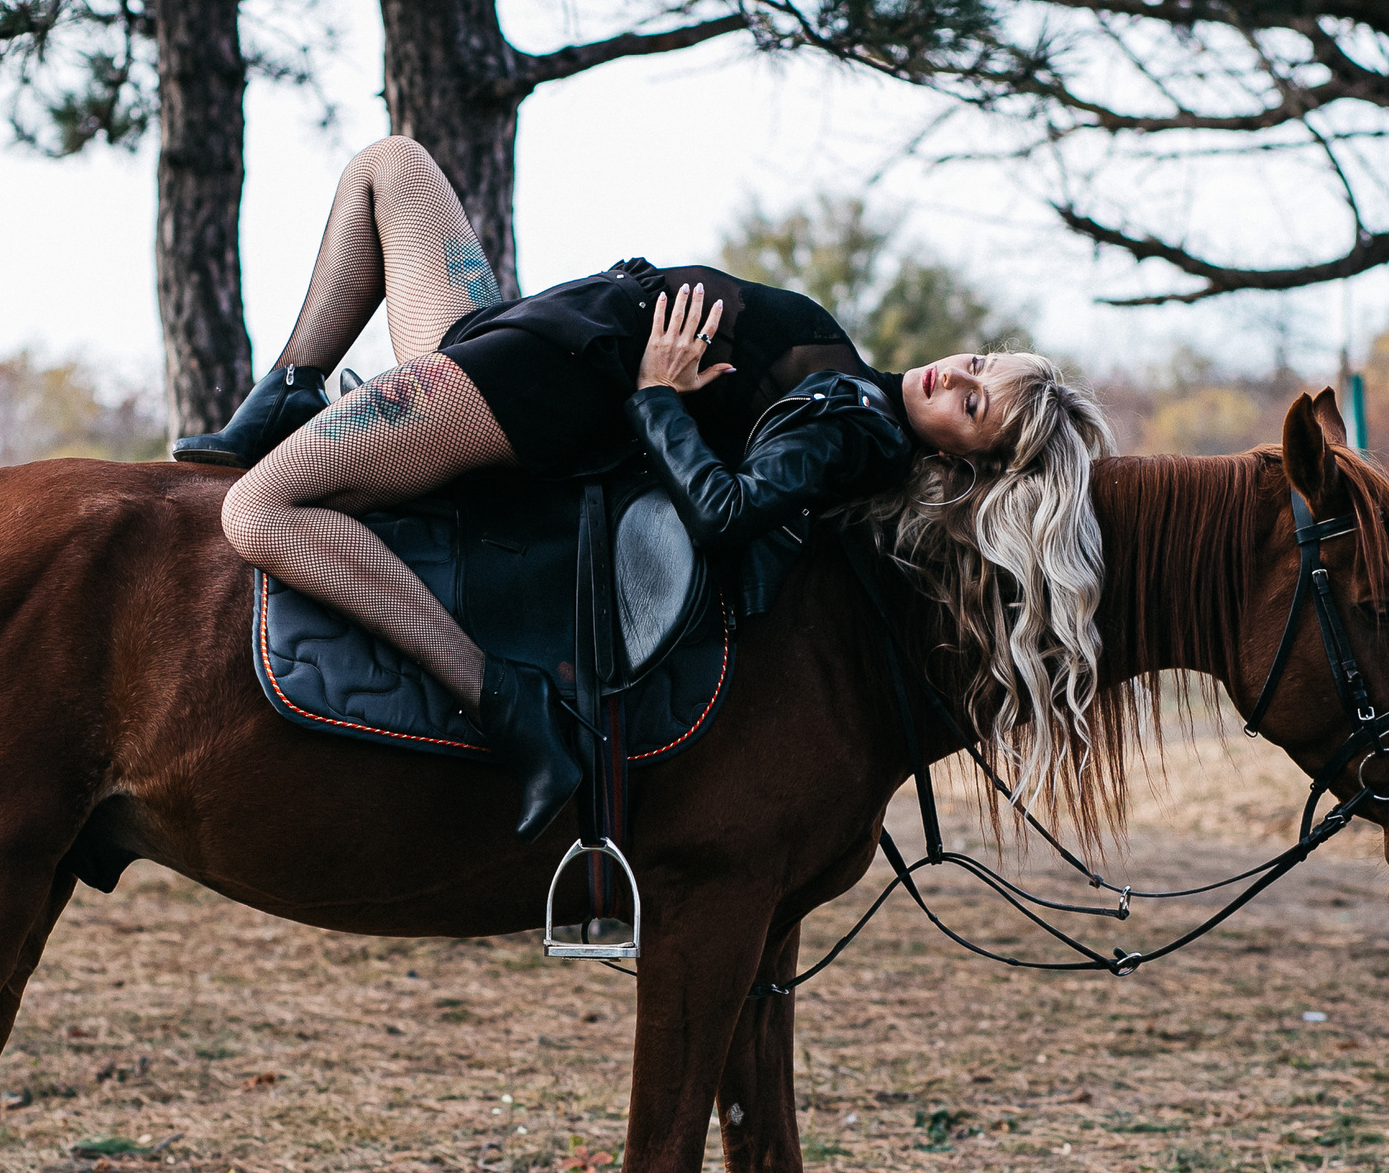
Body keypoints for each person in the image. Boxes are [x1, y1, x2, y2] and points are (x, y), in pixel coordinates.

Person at [179, 136, 1108, 839]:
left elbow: (728, 511)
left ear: (961, 458)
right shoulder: (856, 380)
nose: (956, 377)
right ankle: (286, 393)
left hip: (524, 395)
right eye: (978, 362)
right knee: (390, 165)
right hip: (506, 335)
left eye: (976, 404)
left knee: (258, 510)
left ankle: (503, 701)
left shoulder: (856, 430)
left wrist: (657, 395)